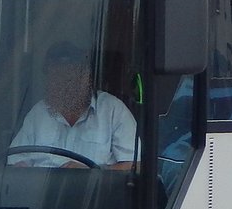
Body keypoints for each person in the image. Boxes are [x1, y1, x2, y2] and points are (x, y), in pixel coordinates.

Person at [9, 41, 137, 169]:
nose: (65, 82)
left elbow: (136, 166)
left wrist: (91, 174)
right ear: (48, 79)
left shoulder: (113, 110)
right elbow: (15, 162)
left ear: (86, 77)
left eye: (71, 73)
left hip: (96, 188)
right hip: (42, 188)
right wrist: (20, 168)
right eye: (57, 75)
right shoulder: (37, 114)